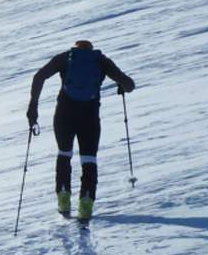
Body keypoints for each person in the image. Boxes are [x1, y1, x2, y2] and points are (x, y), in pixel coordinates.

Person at [26, 40, 135, 222]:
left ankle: (63, 196)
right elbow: (130, 85)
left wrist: (33, 107)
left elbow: (39, 76)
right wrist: (121, 85)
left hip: (64, 115)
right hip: (89, 117)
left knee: (64, 154)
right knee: (89, 160)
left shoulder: (65, 58)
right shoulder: (101, 61)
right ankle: (86, 202)